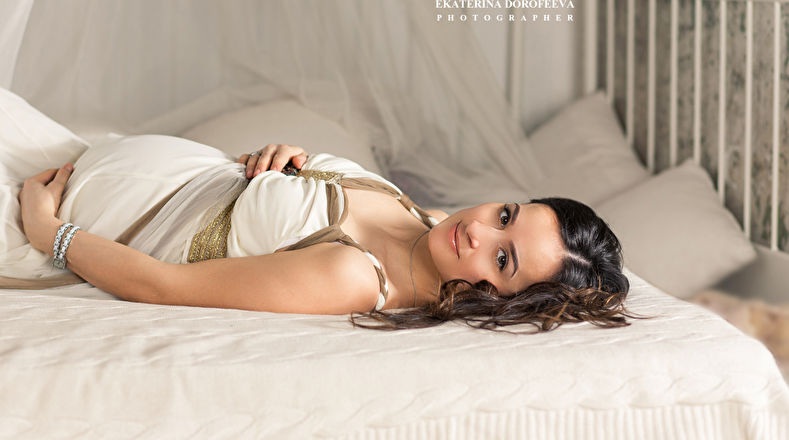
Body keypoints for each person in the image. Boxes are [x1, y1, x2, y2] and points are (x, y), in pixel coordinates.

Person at [6, 90, 629, 331]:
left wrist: (48, 230)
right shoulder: (420, 219)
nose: (479, 231)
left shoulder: (352, 276)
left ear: (502, 301)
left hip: (52, 213)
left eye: (503, 259)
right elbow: (247, 207)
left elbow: (164, 286)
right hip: (77, 159)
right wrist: (274, 163)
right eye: (506, 215)